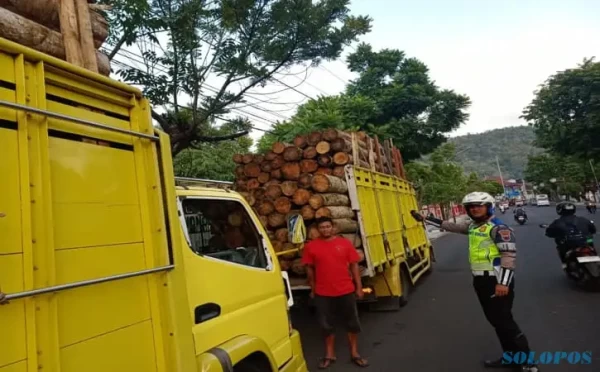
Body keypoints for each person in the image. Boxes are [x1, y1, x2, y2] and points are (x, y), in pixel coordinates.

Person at [410, 192, 538, 372]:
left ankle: (528, 363)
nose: (475, 209)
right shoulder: (473, 227)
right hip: (481, 281)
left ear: (489, 207)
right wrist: (426, 218)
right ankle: (510, 358)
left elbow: (508, 257)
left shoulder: (498, 228)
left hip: (496, 280)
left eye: (479, 205)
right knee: (496, 321)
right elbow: (451, 226)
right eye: (471, 207)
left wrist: (503, 283)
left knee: (505, 322)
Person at [302, 216, 368, 369]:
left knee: (352, 322)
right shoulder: (311, 246)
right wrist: (313, 289)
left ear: (333, 227)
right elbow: (309, 268)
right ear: (318, 230)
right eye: (322, 227)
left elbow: (354, 266)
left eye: (327, 226)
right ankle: (329, 355)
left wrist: (358, 287)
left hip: (345, 290)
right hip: (323, 292)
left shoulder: (344, 243)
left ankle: (355, 353)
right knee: (326, 325)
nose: (325, 229)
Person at [545, 202, 596, 267]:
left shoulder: (557, 222)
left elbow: (549, 233)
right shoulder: (583, 219)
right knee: (590, 242)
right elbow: (593, 230)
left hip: (570, 243)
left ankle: (565, 264)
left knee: (560, 246)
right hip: (586, 240)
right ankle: (594, 255)